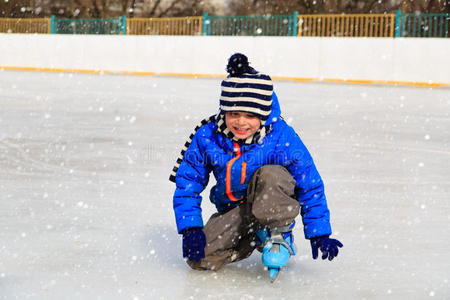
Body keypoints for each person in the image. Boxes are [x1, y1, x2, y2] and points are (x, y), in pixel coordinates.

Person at [169, 53, 343, 280]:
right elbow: (187, 183)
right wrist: (191, 228)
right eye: (234, 114)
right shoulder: (208, 136)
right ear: (224, 111)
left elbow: (309, 185)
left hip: (273, 202)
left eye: (250, 115)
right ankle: (255, 235)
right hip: (236, 211)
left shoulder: (282, 137)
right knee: (199, 259)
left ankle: (278, 233)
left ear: (264, 114)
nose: (241, 122)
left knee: (271, 174)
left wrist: (319, 232)